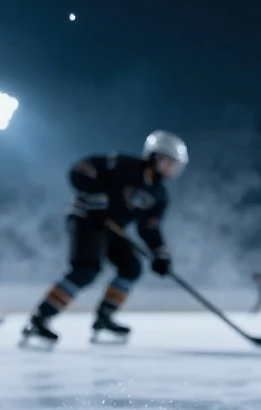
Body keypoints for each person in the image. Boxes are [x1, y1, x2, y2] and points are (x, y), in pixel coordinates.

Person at [20, 131, 187, 347]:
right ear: (157, 157)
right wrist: (95, 197)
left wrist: (160, 254)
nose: (174, 169)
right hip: (86, 219)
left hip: (112, 227)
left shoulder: (159, 195)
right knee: (86, 269)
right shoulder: (122, 165)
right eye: (171, 162)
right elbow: (81, 169)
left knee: (131, 267)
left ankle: (104, 319)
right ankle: (39, 320)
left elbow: (149, 228)